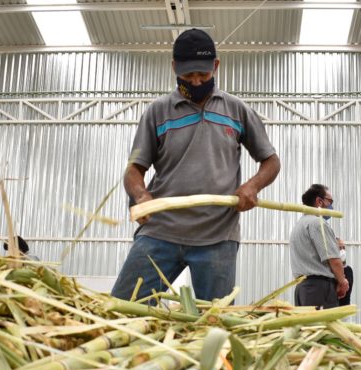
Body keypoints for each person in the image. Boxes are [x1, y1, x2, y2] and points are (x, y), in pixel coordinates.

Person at [111, 29, 280, 302]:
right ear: (175, 68)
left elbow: (271, 161)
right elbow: (134, 169)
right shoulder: (157, 111)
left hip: (218, 236)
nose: (197, 81)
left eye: (203, 75)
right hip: (160, 231)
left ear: (216, 66)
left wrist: (252, 185)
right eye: (188, 76)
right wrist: (140, 195)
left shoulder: (236, 110)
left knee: (214, 324)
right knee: (123, 308)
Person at [289, 184, 349, 309]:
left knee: (306, 327)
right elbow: (333, 259)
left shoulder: (299, 226)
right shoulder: (318, 223)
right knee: (323, 327)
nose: (331, 206)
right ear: (319, 201)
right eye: (330, 201)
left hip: (302, 288)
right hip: (319, 289)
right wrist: (342, 281)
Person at [337, 238, 354, 306]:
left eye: (343, 248)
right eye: (339, 248)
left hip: (342, 308)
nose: (342, 251)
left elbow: (345, 291)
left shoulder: (347, 270)